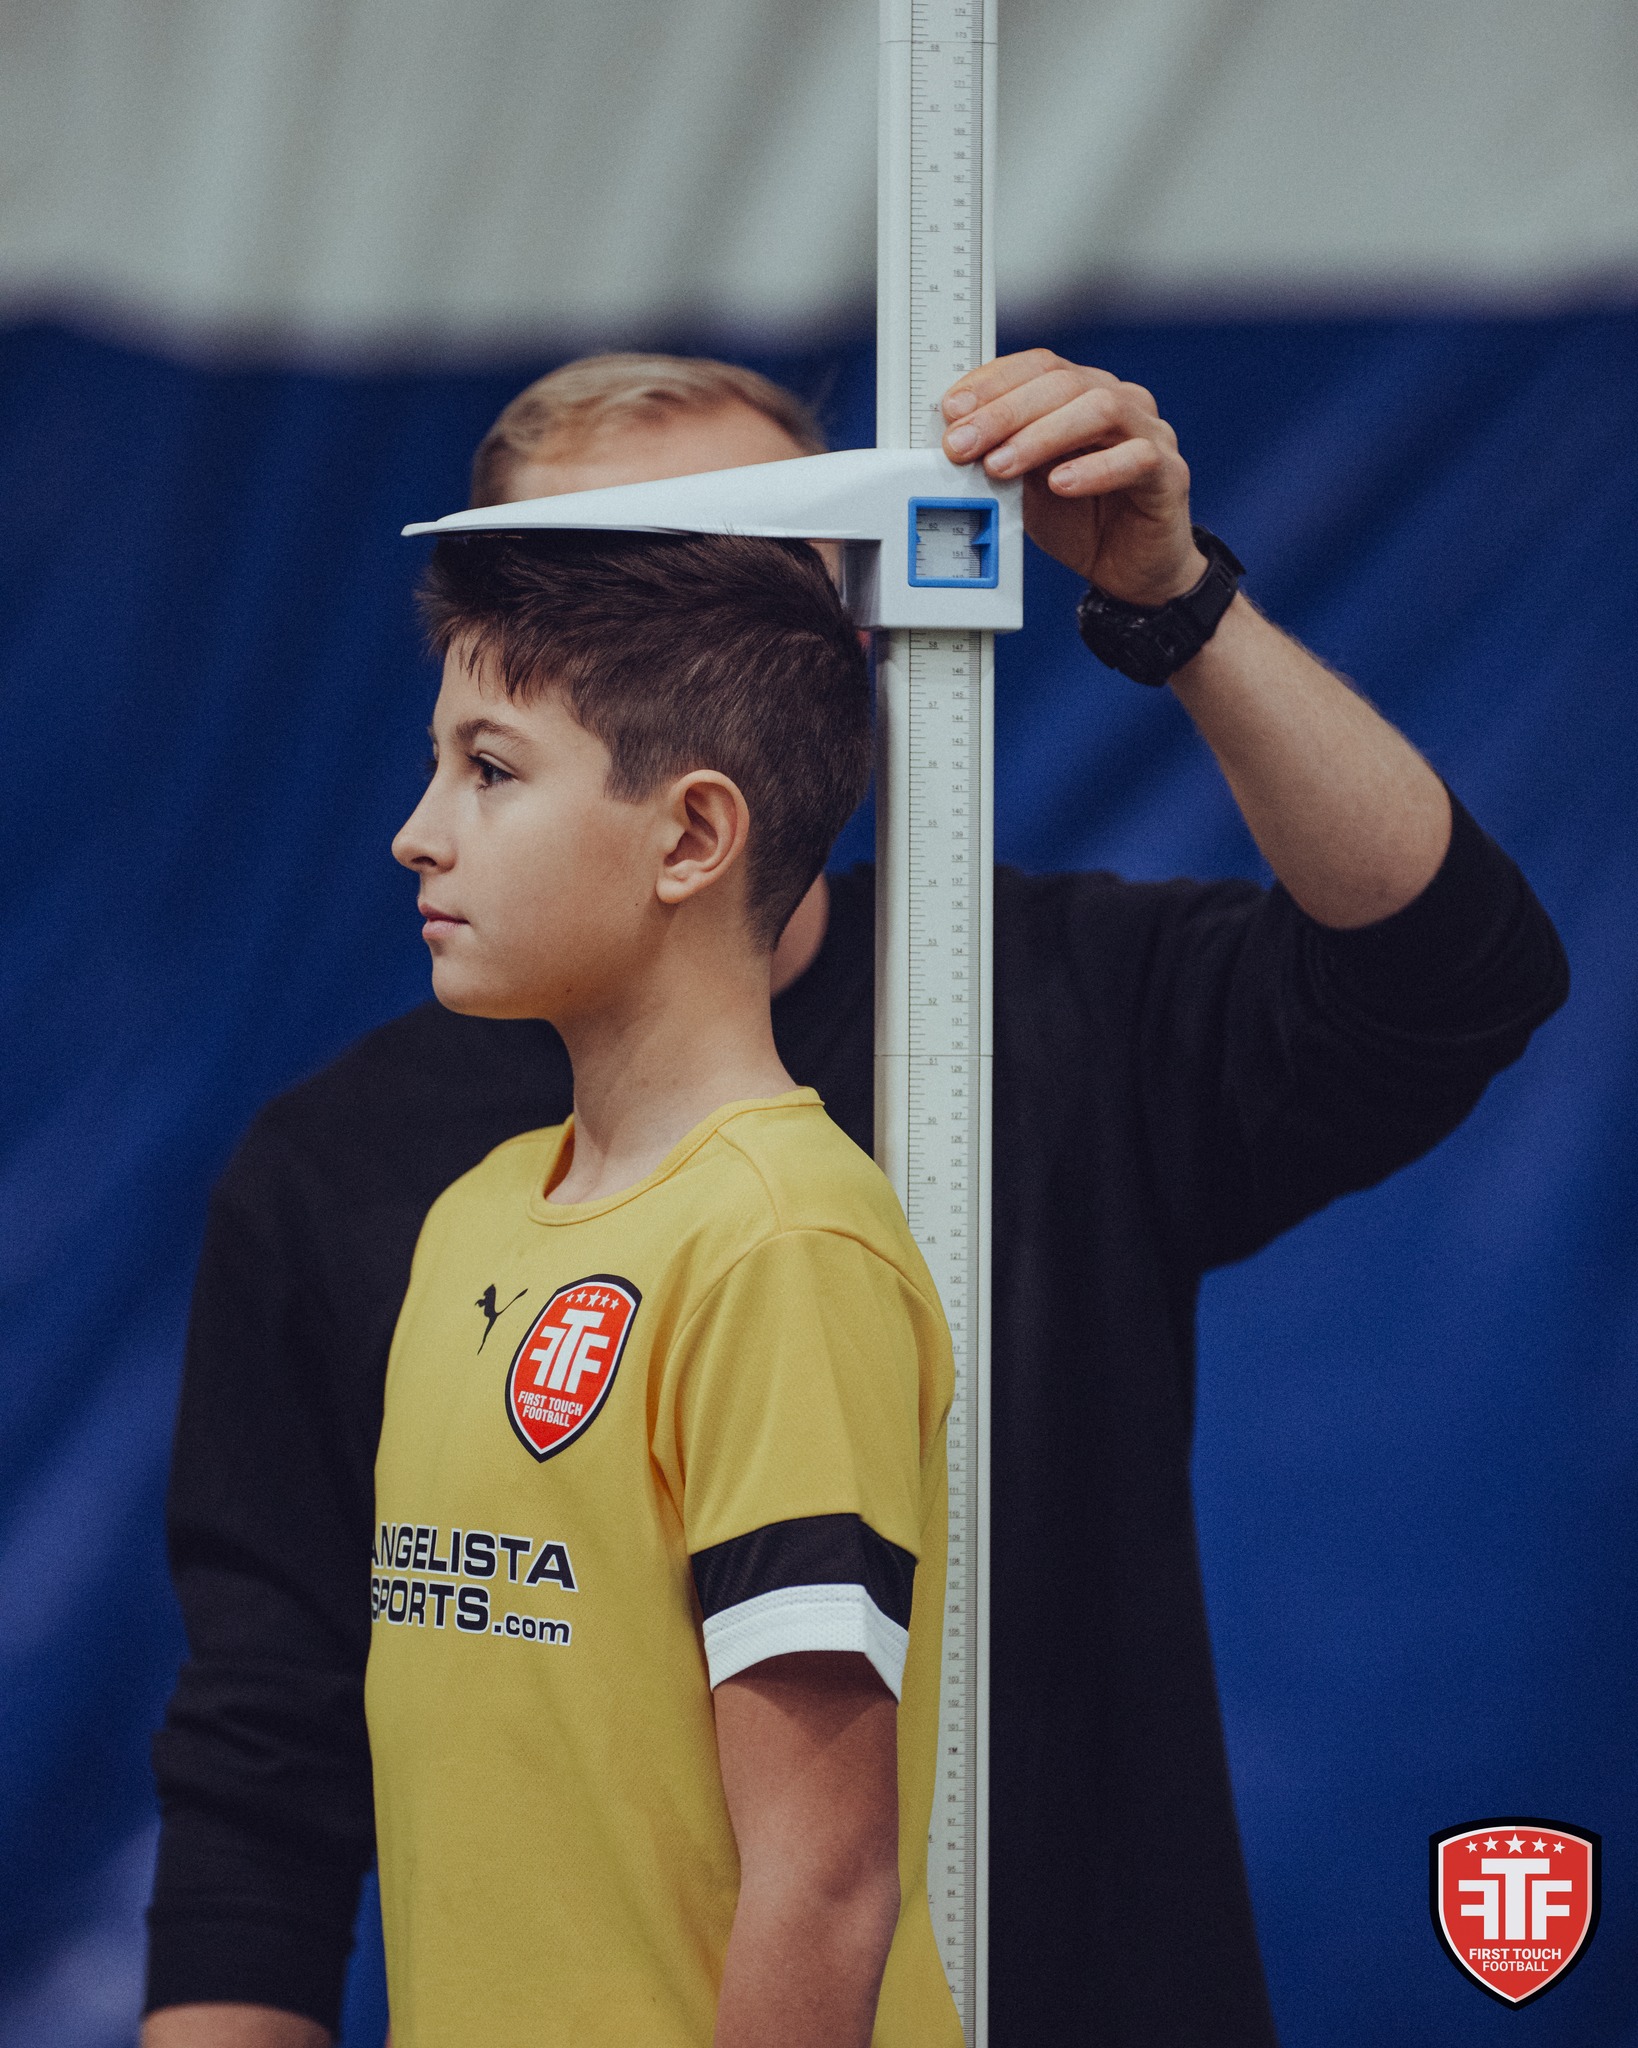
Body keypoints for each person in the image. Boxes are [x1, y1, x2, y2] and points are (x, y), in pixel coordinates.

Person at [144, 350, 1569, 2046]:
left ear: (835, 639)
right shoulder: (382, 1181)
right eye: (585, 588)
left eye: (742, 572)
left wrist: (1175, 604)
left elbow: (1454, 979)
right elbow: (266, 1741)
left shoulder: (1011, 1032)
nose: (665, 628)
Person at [370, 523, 958, 2047]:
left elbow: (824, 1879)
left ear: (692, 837)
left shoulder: (782, 1244)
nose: (418, 833)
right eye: (436, 765)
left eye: (488, 770)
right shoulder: (472, 1219)